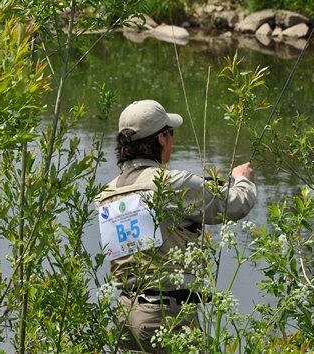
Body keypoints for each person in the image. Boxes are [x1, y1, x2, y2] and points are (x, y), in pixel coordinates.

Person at [96, 99, 257, 353]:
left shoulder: (108, 192)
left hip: (126, 316)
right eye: (170, 134)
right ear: (161, 139)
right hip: (167, 318)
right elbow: (235, 205)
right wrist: (242, 179)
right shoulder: (172, 183)